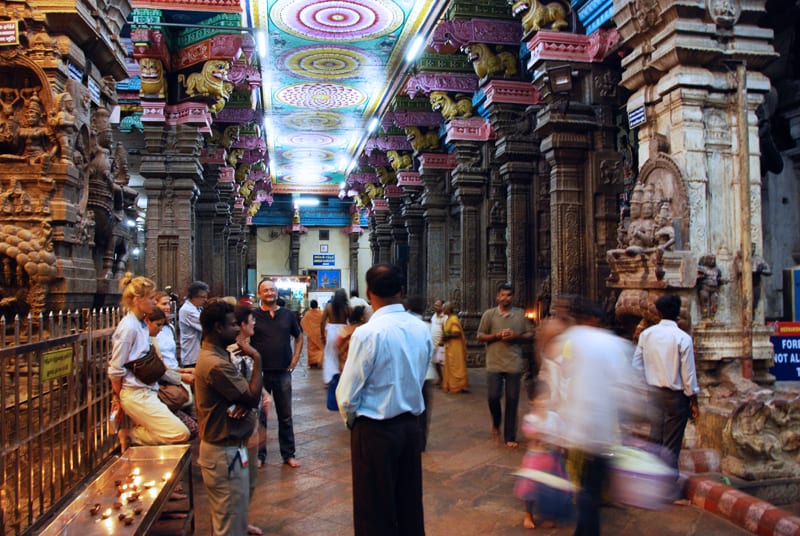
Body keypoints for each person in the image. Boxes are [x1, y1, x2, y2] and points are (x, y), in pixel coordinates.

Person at [336, 264, 432, 536]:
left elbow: (347, 393)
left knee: (374, 509)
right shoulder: (421, 328)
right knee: (409, 503)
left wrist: (352, 421)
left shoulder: (368, 333)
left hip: (375, 429)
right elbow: (421, 373)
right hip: (410, 427)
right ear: (402, 290)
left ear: (369, 293)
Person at [556, 297, 633, 536]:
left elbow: (562, 373)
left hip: (578, 421)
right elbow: (627, 386)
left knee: (586, 484)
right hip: (602, 425)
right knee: (591, 485)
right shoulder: (614, 344)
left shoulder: (571, 339)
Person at [195, 300, 263, 535]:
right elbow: (251, 397)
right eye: (233, 325)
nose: (237, 329)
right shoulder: (215, 364)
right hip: (223, 451)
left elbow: (244, 395)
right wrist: (257, 358)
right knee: (229, 520)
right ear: (218, 327)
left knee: (234, 513)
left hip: (229, 449)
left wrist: (243, 399)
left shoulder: (219, 355)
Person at [108, 273, 190, 448]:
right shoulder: (129, 327)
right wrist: (118, 396)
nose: (155, 302)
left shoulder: (141, 324)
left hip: (147, 389)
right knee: (179, 433)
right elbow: (116, 368)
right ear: (138, 300)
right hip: (135, 393)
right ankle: (130, 435)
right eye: (151, 298)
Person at [632, 294, 699, 473]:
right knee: (671, 444)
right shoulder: (683, 338)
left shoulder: (647, 335)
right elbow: (689, 375)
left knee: (654, 439)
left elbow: (636, 365)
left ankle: (651, 477)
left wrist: (648, 382)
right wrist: (693, 400)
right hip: (676, 397)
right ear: (678, 313)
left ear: (658, 312)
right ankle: (667, 481)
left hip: (654, 394)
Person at [228, 305, 273, 536]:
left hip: (252, 417)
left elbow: (253, 378)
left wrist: (264, 394)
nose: (255, 323)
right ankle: (233, 526)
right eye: (251, 320)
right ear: (241, 325)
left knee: (251, 477)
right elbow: (239, 387)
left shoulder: (248, 347)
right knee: (237, 480)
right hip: (239, 422)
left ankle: (242, 521)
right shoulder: (232, 353)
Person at [250, 278, 303, 468]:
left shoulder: (287, 315)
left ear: (277, 292)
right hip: (260, 373)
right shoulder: (253, 315)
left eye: (272, 290)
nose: (269, 293)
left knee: (285, 415)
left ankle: (288, 454)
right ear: (259, 294)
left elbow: (299, 336)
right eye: (265, 290)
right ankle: (259, 455)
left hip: (282, 371)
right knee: (260, 415)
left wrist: (295, 358)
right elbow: (245, 338)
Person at [477, 283, 534, 448]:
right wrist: (496, 336)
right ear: (497, 297)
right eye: (502, 295)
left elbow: (530, 334)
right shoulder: (489, 315)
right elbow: (480, 336)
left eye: (509, 295)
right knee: (493, 397)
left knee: (512, 399)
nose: (505, 298)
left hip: (513, 363)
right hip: (494, 362)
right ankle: (496, 421)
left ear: (513, 297)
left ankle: (510, 435)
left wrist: (516, 336)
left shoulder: (520, 315)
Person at [514, 381, 571, 530]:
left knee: (551, 487)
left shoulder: (554, 417)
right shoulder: (530, 419)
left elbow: (562, 433)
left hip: (552, 458)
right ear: (532, 401)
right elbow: (530, 434)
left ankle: (550, 516)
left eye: (546, 397)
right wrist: (541, 436)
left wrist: (562, 446)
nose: (543, 401)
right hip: (535, 459)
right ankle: (528, 514)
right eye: (540, 398)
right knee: (530, 488)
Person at [321, 288, 351, 386]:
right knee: (343, 356)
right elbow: (352, 321)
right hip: (344, 332)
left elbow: (322, 322)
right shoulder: (347, 308)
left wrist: (322, 336)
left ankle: (330, 377)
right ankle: (342, 376)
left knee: (330, 355)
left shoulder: (329, 306)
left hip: (331, 332)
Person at [178, 280, 210, 367]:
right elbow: (206, 325)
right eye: (203, 297)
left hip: (199, 355)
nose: (205, 300)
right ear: (194, 297)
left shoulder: (198, 308)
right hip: (191, 356)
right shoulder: (187, 310)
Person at [441, 302, 469, 393]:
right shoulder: (448, 319)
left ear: (449, 309)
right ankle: (452, 385)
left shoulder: (453, 319)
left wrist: (446, 336)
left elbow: (457, 333)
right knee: (451, 365)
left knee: (456, 365)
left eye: (444, 308)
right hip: (450, 346)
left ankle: (458, 386)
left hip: (455, 347)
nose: (443, 310)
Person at [300, 299, 324, 368]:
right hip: (320, 334)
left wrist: (308, 330)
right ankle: (319, 361)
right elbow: (325, 322)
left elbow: (302, 322)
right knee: (319, 349)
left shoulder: (308, 314)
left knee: (311, 349)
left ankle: (312, 363)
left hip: (311, 335)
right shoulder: (321, 313)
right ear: (317, 305)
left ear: (310, 306)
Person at [429, 299, 446, 385]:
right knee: (435, 361)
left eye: (438, 305)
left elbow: (446, 329)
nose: (436, 307)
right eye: (435, 305)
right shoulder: (434, 316)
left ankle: (447, 379)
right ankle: (440, 377)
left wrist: (442, 340)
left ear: (443, 306)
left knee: (442, 361)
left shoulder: (445, 317)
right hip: (433, 341)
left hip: (441, 342)